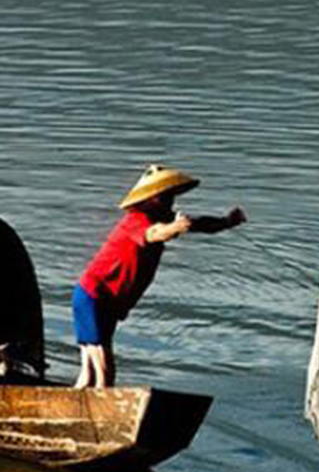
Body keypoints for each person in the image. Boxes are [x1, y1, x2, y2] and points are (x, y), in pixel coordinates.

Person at [72, 164, 246, 389]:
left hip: (109, 301)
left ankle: (75, 410)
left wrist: (226, 222)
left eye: (170, 197)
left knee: (90, 372)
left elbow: (199, 224)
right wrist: (175, 227)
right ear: (150, 199)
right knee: (104, 370)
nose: (170, 203)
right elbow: (155, 234)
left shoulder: (162, 217)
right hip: (93, 295)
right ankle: (100, 415)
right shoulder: (136, 220)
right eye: (165, 197)